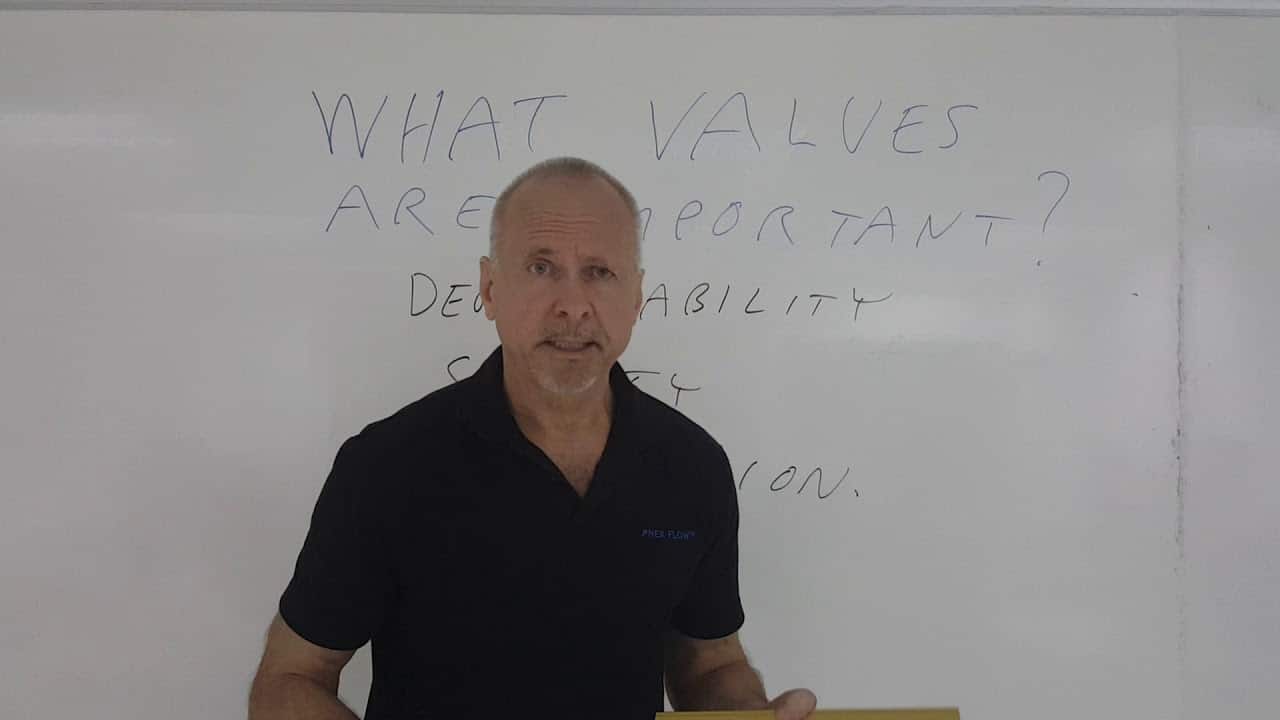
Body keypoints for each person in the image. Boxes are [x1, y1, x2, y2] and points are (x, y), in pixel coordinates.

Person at [248, 157, 817, 720]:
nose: (572, 305)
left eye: (600, 272)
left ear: (637, 296)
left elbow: (709, 663)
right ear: (490, 287)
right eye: (542, 268)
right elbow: (288, 679)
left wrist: (753, 713)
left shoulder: (692, 466)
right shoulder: (386, 467)